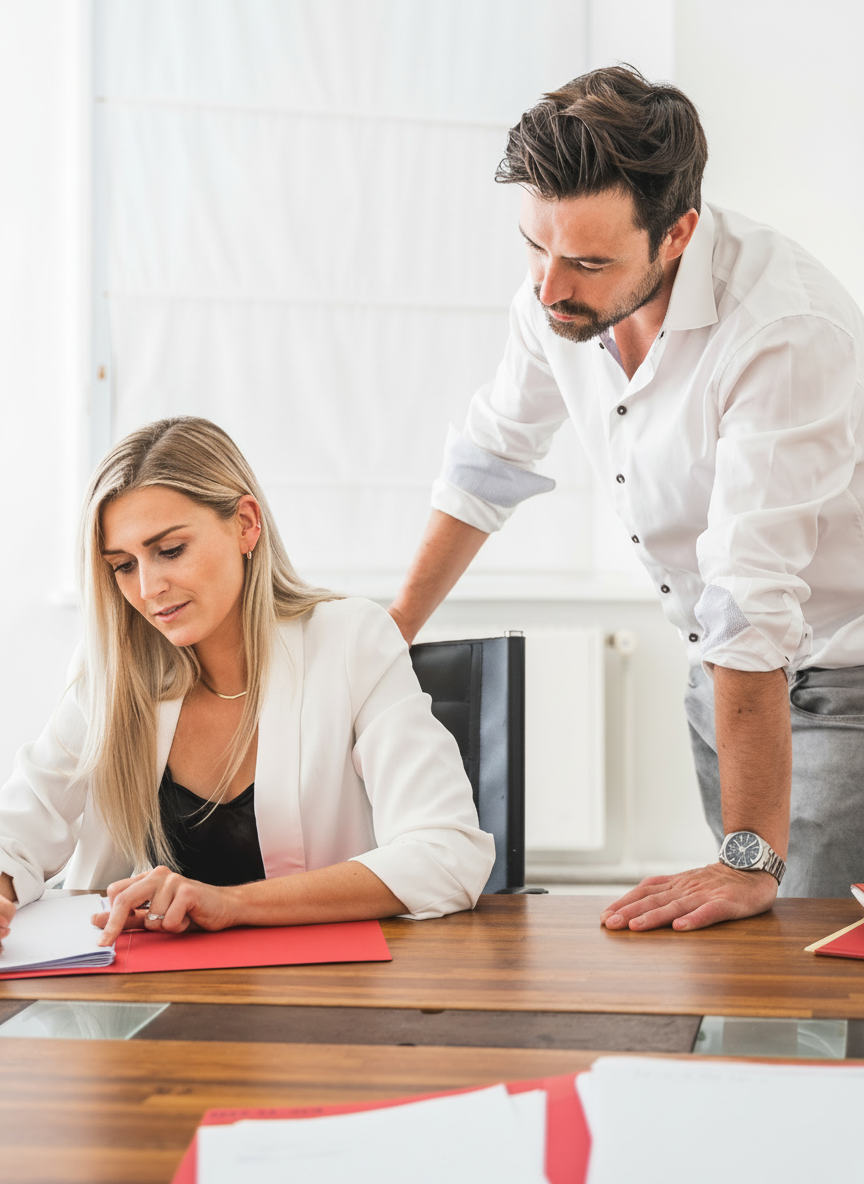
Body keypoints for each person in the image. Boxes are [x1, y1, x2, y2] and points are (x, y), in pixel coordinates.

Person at [389, 65, 864, 932]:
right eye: (535, 246)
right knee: (744, 949)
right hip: (722, 673)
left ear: (676, 233)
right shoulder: (560, 301)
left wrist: (749, 852)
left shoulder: (785, 331)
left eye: (587, 260)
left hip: (841, 679)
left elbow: (750, 594)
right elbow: (491, 457)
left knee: (802, 968)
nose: (548, 288)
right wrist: (388, 636)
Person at [0, 417, 494, 949]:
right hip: (143, 1003)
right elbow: (22, 826)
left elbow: (447, 852)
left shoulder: (350, 641)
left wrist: (231, 904)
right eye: (122, 565)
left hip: (323, 996)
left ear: (245, 524)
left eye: (169, 551)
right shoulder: (114, 668)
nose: (148, 589)